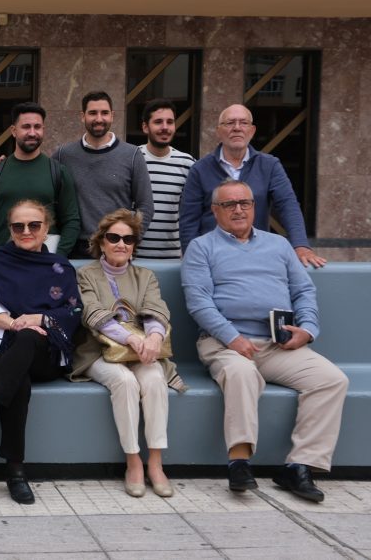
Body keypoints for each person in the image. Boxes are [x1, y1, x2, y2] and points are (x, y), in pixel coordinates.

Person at [182, 180, 347, 503]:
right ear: (215, 211)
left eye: (245, 202)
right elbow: (199, 303)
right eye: (229, 204)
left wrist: (308, 330)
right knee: (243, 374)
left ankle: (300, 466)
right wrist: (233, 337)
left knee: (332, 380)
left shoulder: (279, 245)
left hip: (278, 344)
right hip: (223, 342)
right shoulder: (201, 247)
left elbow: (303, 291)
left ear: (255, 207)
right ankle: (240, 462)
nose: (239, 209)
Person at [0, 199, 81, 504]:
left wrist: (39, 319)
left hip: (46, 353)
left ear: (46, 228)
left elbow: (73, 311)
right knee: (17, 381)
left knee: (27, 342)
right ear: (10, 229)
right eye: (18, 226)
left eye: (34, 225)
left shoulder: (61, 268)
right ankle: (15, 473)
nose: (26, 231)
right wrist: (15, 324)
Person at [70, 209, 185, 498]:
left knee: (155, 378)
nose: (121, 244)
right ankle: (133, 461)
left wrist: (155, 338)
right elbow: (93, 313)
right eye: (114, 237)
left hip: (143, 350)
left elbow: (156, 309)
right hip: (97, 352)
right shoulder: (85, 273)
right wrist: (133, 339)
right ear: (101, 241)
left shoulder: (145, 275)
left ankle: (156, 462)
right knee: (124, 381)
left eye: (128, 239)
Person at [179, 104, 326, 268]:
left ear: (252, 130)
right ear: (218, 131)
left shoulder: (270, 165)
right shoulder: (200, 169)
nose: (237, 128)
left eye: (243, 123)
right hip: (213, 258)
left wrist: (301, 246)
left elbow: (287, 205)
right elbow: (189, 220)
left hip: (257, 257)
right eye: (230, 123)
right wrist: (191, 256)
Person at [54, 91, 153, 257]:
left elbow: (146, 206)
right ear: (82, 116)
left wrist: (128, 241)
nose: (99, 119)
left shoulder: (132, 155)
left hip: (116, 248)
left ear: (112, 116)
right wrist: (2, 163)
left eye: (104, 113)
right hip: (75, 249)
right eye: (92, 113)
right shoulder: (64, 155)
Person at [0, 103, 80, 257]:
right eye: (26, 127)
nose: (32, 133)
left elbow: (71, 220)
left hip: (46, 256)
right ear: (13, 131)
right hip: (5, 258)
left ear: (43, 130)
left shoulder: (58, 172)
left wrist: (59, 255)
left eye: (37, 127)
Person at [135, 99, 196, 259]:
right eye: (158, 122)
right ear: (145, 127)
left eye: (170, 122)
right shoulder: (131, 159)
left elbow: (193, 214)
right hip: (133, 257)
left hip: (173, 257)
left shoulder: (187, 163)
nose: (165, 127)